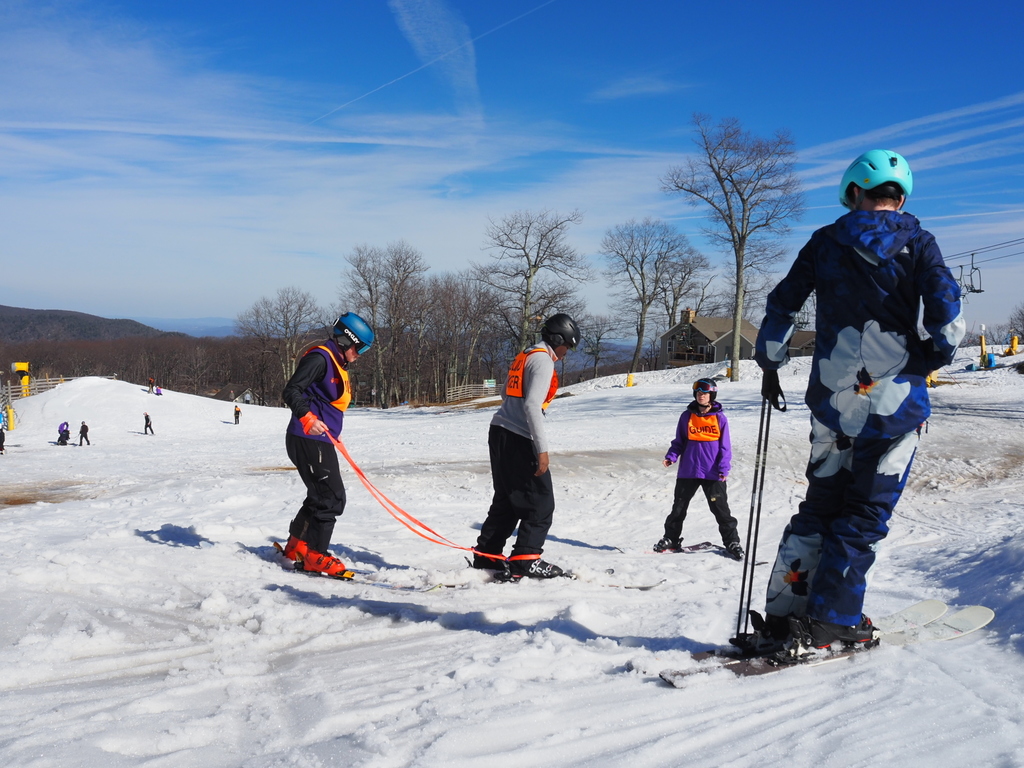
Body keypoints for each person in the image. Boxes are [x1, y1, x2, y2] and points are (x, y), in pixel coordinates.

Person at [747, 149, 964, 657]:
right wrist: (932, 357)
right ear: (902, 197)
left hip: (833, 405)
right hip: (894, 408)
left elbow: (782, 305)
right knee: (864, 515)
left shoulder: (825, 242)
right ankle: (832, 620)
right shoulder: (920, 243)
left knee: (820, 506)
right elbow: (947, 319)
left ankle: (784, 615)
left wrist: (770, 359)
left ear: (852, 193)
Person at [472, 313, 581, 580]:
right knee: (541, 502)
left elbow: (505, 394)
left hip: (499, 431)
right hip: (519, 437)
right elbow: (532, 405)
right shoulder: (544, 361)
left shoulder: (526, 356)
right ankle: (526, 558)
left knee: (508, 499)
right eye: (568, 345)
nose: (567, 352)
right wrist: (541, 450)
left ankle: (488, 556)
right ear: (557, 340)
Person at [279, 312, 374, 576]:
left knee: (320, 494)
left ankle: (297, 545)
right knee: (332, 497)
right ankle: (316, 556)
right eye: (360, 347)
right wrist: (307, 417)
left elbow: (324, 399)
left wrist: (331, 429)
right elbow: (291, 390)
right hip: (307, 437)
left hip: (319, 438)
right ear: (348, 340)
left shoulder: (336, 361)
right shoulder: (320, 358)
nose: (361, 353)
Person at [654, 379, 743, 561]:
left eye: (705, 393)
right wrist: (671, 456)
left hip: (712, 472)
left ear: (711, 396)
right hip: (688, 470)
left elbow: (725, 447)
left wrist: (723, 468)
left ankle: (732, 542)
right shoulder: (687, 416)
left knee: (721, 510)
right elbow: (679, 441)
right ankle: (671, 538)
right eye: (698, 393)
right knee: (678, 508)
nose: (701, 395)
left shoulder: (719, 418)